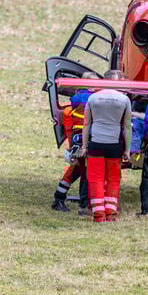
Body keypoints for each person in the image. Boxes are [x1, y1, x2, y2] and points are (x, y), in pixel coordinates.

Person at [78, 70, 131, 222]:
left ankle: (98, 215)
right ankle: (111, 213)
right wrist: (127, 149)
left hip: (96, 143)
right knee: (113, 178)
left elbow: (86, 124)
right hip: (114, 144)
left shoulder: (93, 98)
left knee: (96, 179)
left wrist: (84, 146)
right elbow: (127, 126)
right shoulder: (124, 99)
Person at [51, 75, 95, 213]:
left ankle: (61, 198)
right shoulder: (91, 100)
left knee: (77, 170)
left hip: (77, 141)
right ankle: (65, 199)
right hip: (85, 142)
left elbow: (71, 129)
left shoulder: (74, 104)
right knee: (81, 171)